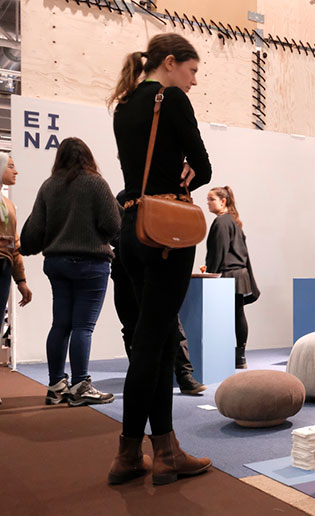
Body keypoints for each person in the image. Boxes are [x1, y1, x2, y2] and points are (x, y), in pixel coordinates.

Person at [107, 32, 212, 486]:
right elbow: (203, 165)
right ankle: (138, 454)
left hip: (131, 226)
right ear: (170, 62)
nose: (193, 82)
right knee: (153, 344)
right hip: (166, 230)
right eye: (192, 71)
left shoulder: (124, 105)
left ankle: (151, 452)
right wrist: (188, 174)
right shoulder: (171, 99)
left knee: (155, 339)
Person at [20, 138, 119, 406]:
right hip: (91, 264)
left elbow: (33, 232)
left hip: (57, 264)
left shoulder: (48, 186)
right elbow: (112, 224)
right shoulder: (96, 183)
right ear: (88, 157)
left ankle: (56, 387)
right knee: (83, 327)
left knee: (60, 324)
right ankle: (80, 385)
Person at [110, 192, 206, 395]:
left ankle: (183, 374)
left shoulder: (158, 196)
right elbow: (111, 227)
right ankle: (143, 374)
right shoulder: (124, 198)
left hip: (151, 265)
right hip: (125, 268)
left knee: (169, 321)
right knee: (132, 326)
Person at [205, 186, 259, 370]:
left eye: (211, 199)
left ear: (223, 201)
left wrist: (209, 274)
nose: (208, 203)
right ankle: (239, 356)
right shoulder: (233, 221)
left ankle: (224, 356)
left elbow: (218, 252)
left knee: (227, 316)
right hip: (240, 275)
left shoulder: (221, 222)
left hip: (228, 275)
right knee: (237, 314)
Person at [0, 153, 33, 406]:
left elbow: (15, 245)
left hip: (4, 268)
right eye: (10, 166)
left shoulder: (9, 205)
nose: (16, 171)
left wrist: (21, 280)